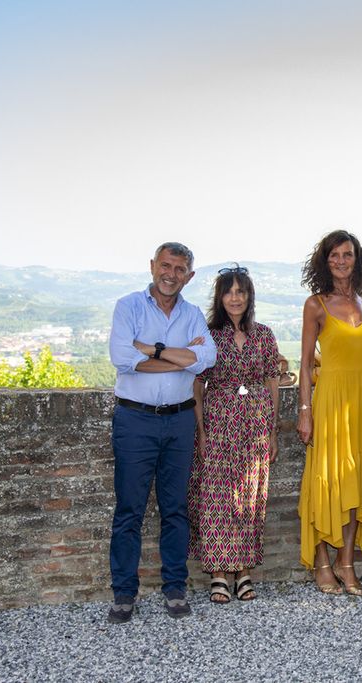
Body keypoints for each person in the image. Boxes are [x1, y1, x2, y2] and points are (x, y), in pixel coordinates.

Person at [106, 242, 216, 623]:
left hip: (180, 421)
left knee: (176, 509)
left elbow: (207, 358)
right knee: (129, 510)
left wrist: (151, 350)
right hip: (135, 421)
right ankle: (123, 592)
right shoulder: (129, 307)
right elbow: (122, 358)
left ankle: (175, 587)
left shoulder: (193, 314)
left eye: (180, 268)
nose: (171, 274)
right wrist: (180, 357)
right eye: (166, 266)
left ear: (190, 275)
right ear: (153, 265)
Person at [296, 230, 362, 596]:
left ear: (356, 259)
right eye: (333, 255)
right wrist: (305, 411)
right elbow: (306, 364)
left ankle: (345, 563)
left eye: (346, 254)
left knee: (357, 482)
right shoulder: (315, 305)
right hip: (331, 402)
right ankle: (322, 561)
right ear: (325, 261)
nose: (340, 261)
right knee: (326, 480)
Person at [188, 264, 280, 603]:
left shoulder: (264, 335)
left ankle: (243, 571)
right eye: (228, 291)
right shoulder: (209, 336)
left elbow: (272, 380)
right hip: (218, 424)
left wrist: (272, 431)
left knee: (249, 497)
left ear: (249, 295)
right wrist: (201, 431)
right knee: (216, 498)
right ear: (220, 297)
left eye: (241, 291)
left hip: (255, 426)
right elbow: (197, 384)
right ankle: (218, 573)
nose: (235, 297)